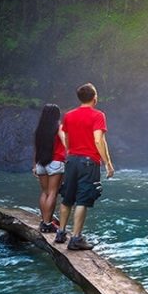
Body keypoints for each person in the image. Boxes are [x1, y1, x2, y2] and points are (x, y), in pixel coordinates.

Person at [55, 83, 115, 250]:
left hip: (71, 159)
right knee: (82, 199)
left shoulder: (68, 115)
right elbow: (98, 140)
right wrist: (107, 163)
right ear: (95, 98)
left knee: (67, 197)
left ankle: (60, 233)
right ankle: (76, 238)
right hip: (88, 162)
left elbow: (66, 138)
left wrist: (70, 152)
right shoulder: (98, 115)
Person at [32, 104, 67, 233]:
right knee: (53, 193)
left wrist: (34, 165)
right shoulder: (58, 127)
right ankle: (47, 223)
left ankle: (44, 220)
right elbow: (65, 142)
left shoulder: (39, 130)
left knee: (45, 192)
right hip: (56, 162)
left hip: (41, 163)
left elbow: (36, 148)